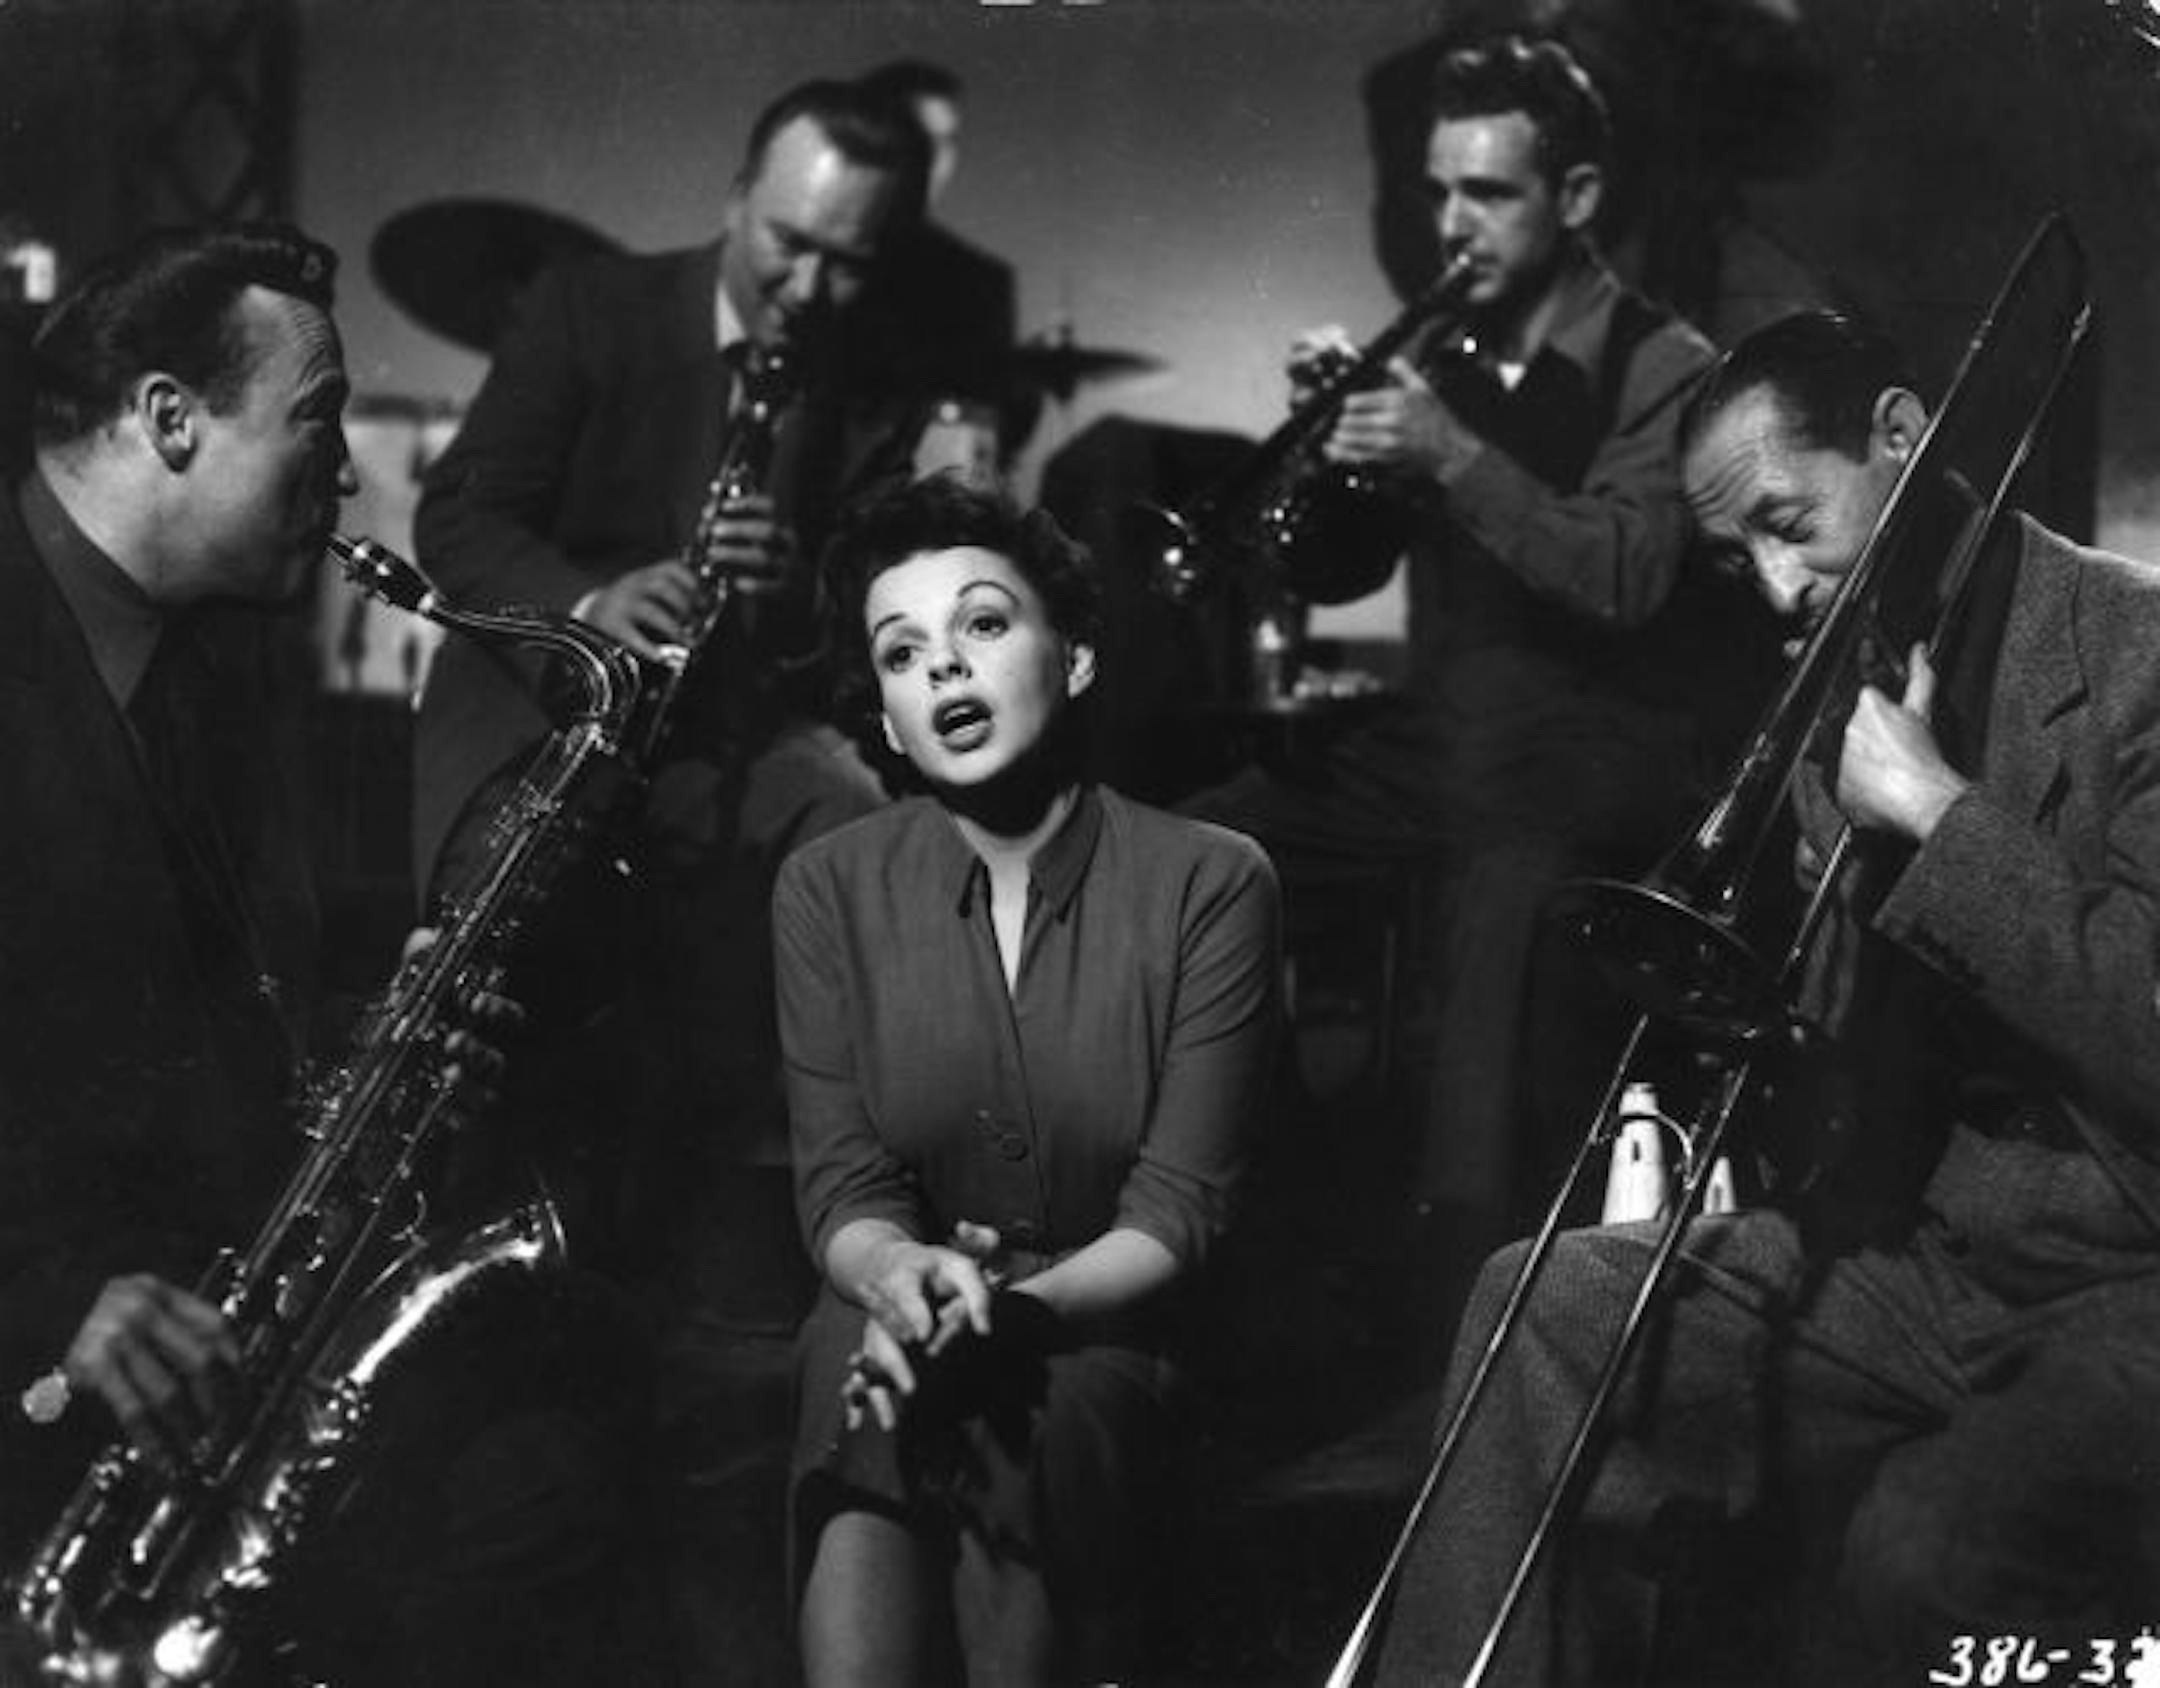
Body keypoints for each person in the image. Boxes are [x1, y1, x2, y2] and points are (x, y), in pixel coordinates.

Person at [1368, 308, 2160, 1685]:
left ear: (1901, 437)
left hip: (2132, 1281)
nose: (1781, 586)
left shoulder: (2139, 643)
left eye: (1790, 524)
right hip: (1933, 1261)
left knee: (1919, 1553)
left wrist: (1940, 816)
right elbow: (1850, 1067)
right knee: (1536, 1304)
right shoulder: (1835, 699)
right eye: (1741, 558)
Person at [0, 223, 645, 1685]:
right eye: (318, 417)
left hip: (197, 1343)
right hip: (43, 1378)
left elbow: (198, 1002)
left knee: (557, 1473)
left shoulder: (221, 662)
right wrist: (51, 1304)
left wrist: (375, 1028)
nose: (350, 474)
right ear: (171, 420)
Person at [1183, 34, 1737, 1251]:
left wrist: (1445, 452)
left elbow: (1626, 572)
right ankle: (1283, 1183)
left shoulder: (1666, 365)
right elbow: (1344, 570)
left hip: (1602, 755)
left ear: (1575, 197)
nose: (1450, 226)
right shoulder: (1444, 354)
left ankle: (1463, 1248)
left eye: (1486, 193)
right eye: (1438, 191)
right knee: (1198, 858)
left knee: (1507, 896)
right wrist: (1330, 456)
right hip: (1448, 740)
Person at [409, 78, 934, 1282]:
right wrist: (591, 605)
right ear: (736, 198)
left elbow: (858, 633)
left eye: (849, 264)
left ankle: (759, 1230)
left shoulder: (875, 388)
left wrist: (794, 590)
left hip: (714, 733)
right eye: (789, 243)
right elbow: (461, 517)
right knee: (501, 970)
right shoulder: (586, 307)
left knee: (862, 828)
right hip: (534, 701)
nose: (810, 290)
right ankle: (464, 1241)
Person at [774, 475, 1280, 1684]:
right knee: (854, 1345)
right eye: (904, 653)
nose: (945, 666)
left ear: (1077, 657)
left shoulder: (1213, 880)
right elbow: (844, 1190)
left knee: (1011, 1408)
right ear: (889, 720)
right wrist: (900, 1277)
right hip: (907, 1308)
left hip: (1118, 1328)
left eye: (984, 624)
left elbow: (1181, 1213)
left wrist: (1008, 1314)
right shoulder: (825, 887)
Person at [848, 58, 1020, 434]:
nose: (932, 158)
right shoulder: (817, 252)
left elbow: (992, 424)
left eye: (947, 141)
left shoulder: (982, 284)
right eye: (915, 136)